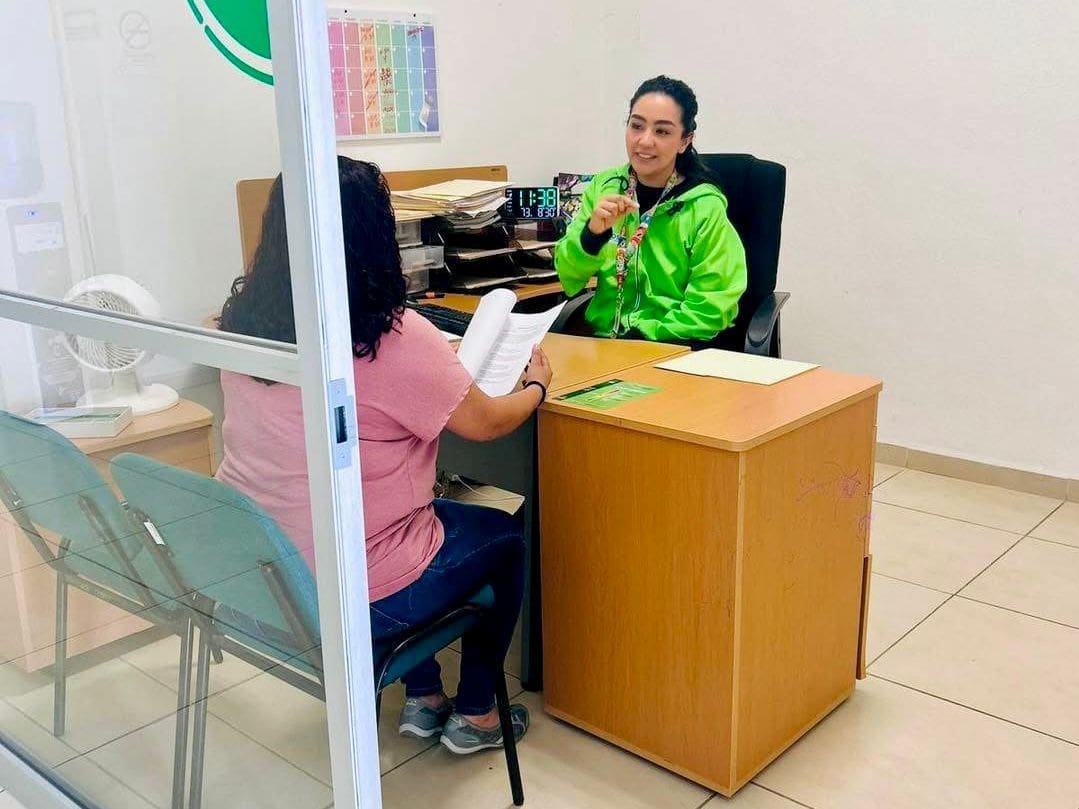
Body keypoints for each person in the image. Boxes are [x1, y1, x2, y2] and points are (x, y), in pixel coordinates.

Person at [216, 156, 552, 754]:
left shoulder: (240, 321)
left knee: (411, 517)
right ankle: (477, 714)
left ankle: (424, 698)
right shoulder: (388, 335)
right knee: (503, 537)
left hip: (264, 573)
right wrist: (537, 387)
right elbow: (486, 423)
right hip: (346, 590)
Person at [554, 75, 748, 343]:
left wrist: (644, 338)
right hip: (606, 345)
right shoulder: (604, 187)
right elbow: (568, 275)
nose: (644, 141)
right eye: (636, 126)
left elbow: (711, 307)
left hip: (674, 346)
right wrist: (592, 235)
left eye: (662, 131)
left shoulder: (703, 206)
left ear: (685, 140)